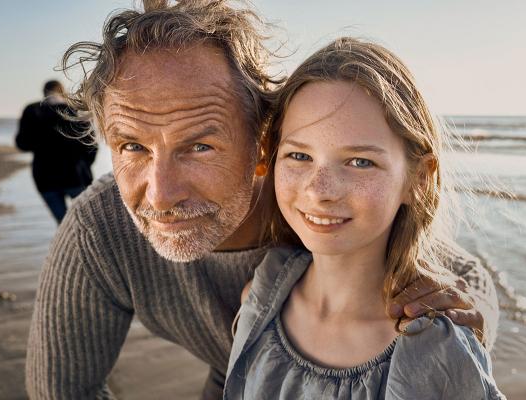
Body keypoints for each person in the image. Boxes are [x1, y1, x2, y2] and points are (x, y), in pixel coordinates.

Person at [25, 2, 499, 399]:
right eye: (132, 146)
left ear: (262, 148)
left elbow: (455, 268)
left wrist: (454, 318)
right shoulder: (101, 230)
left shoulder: (313, 203)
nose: (161, 193)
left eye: (200, 146)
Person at [224, 38, 504, 400]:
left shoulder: (434, 346)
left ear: (419, 179)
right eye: (299, 155)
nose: (320, 190)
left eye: (360, 162)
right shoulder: (262, 294)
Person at [15, 80, 96, 224]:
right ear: (63, 92)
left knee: (64, 227)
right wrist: (85, 165)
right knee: (88, 223)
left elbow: (22, 144)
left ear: (44, 93)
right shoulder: (76, 110)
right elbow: (91, 145)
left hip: (45, 177)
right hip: (76, 175)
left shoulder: (32, 111)